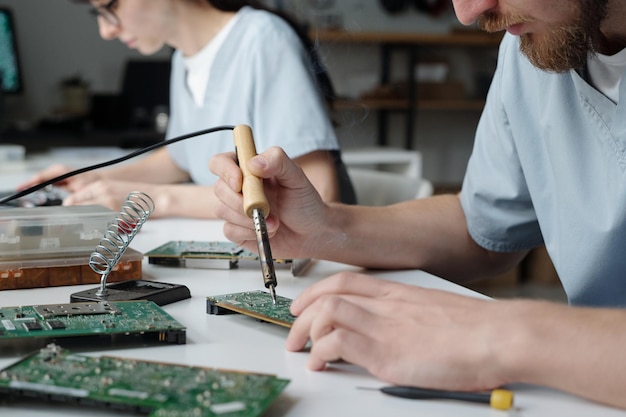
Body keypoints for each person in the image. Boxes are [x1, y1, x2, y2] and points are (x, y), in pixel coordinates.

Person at [209, 0, 626, 409]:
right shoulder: (531, 49)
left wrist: (500, 334)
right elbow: (480, 230)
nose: (468, 13)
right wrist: (324, 227)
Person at [20, 0, 355, 217]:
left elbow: (319, 193)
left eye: (111, 7)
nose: (107, 30)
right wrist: (92, 178)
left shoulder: (263, 38)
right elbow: (181, 157)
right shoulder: (183, 59)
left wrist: (154, 199)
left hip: (309, 269)